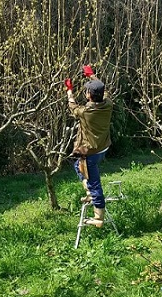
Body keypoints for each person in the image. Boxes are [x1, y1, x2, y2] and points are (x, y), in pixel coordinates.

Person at [65, 65, 113, 227]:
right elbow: (102, 86)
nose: (85, 93)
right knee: (76, 162)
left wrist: (69, 92)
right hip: (102, 146)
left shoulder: (87, 112)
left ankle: (99, 218)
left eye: (87, 91)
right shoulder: (108, 103)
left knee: (93, 182)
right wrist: (91, 75)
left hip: (91, 151)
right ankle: (89, 192)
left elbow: (72, 107)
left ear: (90, 96)